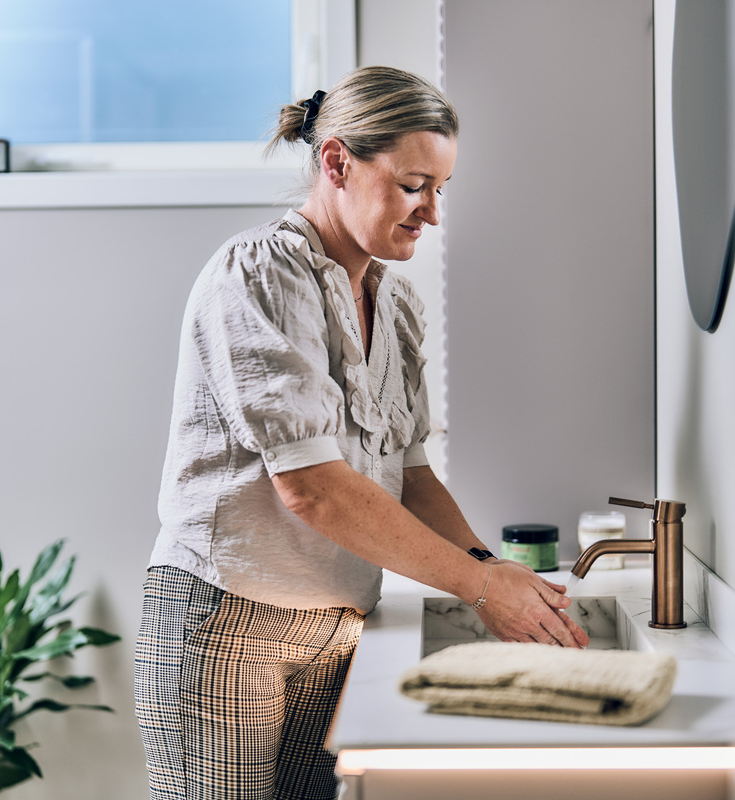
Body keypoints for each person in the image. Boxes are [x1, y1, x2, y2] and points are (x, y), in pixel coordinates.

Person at [134, 65, 588, 800]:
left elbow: (410, 476)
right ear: (337, 161)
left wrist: (485, 564)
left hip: (339, 625)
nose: (432, 214)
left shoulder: (394, 303)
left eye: (441, 190)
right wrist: (478, 587)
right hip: (225, 624)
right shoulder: (259, 274)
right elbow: (312, 489)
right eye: (414, 186)